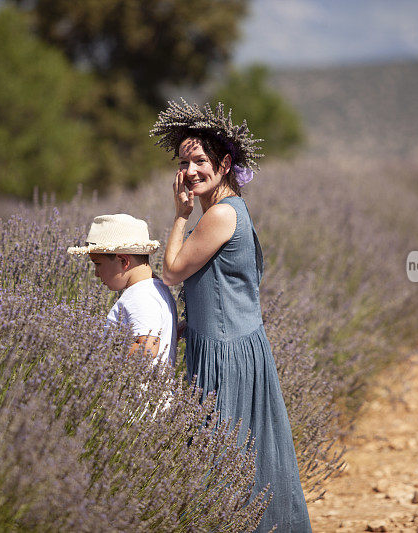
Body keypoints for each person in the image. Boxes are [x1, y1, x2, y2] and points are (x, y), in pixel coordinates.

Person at [151, 100, 312, 532]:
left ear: (224, 164)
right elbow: (225, 286)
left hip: (225, 356)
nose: (190, 171)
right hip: (232, 346)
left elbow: (170, 271)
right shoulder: (230, 210)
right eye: (184, 162)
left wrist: (179, 217)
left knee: (224, 463)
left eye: (200, 160)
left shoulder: (219, 215)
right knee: (248, 460)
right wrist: (188, 325)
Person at [67, 214, 177, 367]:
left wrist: (102, 354)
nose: (96, 273)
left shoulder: (140, 296)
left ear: (123, 261)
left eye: (98, 264)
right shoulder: (156, 289)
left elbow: (147, 348)